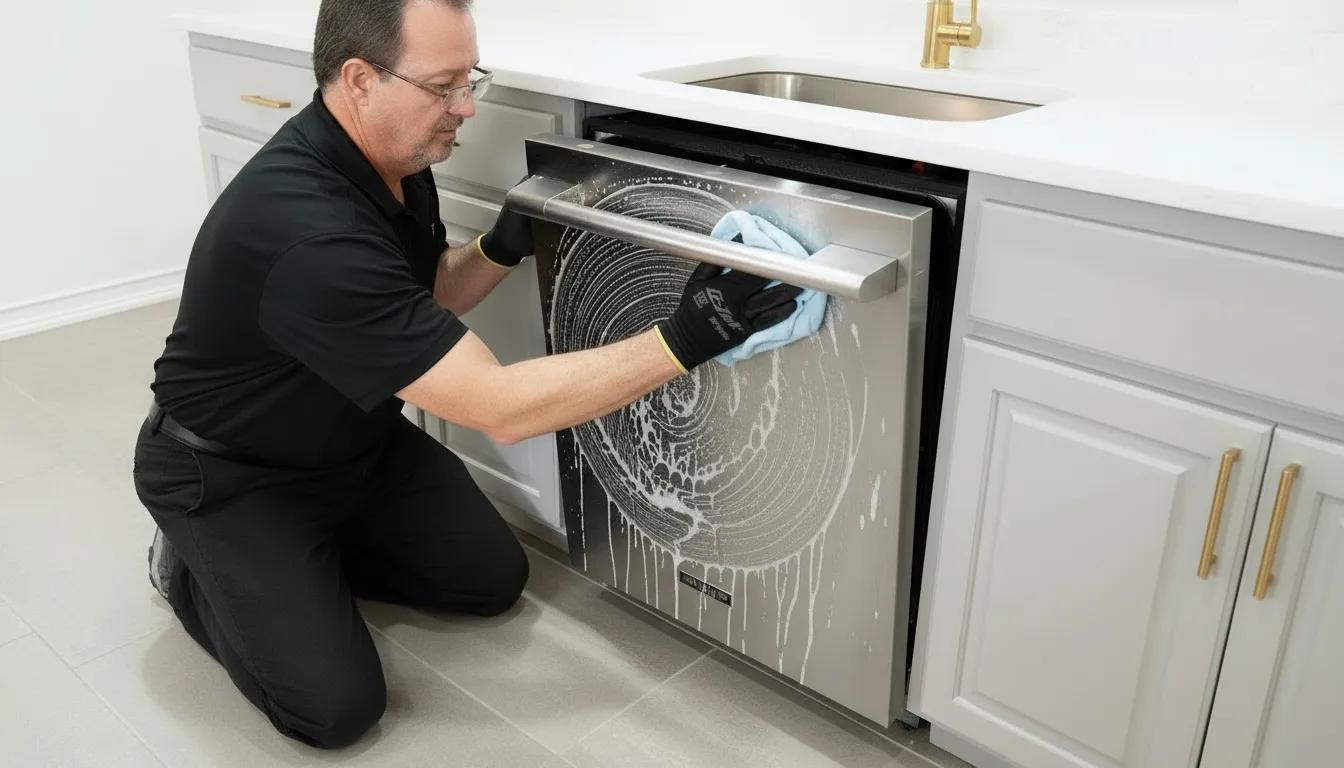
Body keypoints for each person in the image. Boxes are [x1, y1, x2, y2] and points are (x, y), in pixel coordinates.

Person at [133, 0, 801, 750]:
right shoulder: (305, 230)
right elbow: (498, 407)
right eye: (444, 86)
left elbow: (424, 299)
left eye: (470, 78)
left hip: (356, 446)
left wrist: (502, 245)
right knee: (335, 710)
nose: (468, 107)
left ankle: (302, 567)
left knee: (489, 581)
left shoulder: (394, 163)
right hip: (231, 476)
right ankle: (193, 570)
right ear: (359, 79)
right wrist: (684, 338)